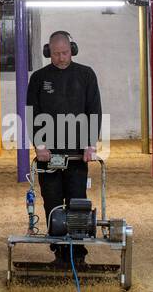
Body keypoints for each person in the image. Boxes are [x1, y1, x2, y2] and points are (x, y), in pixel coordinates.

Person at [26, 30, 102, 267]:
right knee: (52, 201)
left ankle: (78, 255)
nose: (61, 58)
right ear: (48, 52)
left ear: (73, 50)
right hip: (48, 154)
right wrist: (39, 145)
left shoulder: (86, 75)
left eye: (65, 52)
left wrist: (90, 144)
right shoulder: (38, 78)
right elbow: (32, 113)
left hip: (77, 153)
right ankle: (59, 253)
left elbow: (94, 111)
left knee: (77, 200)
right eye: (56, 53)